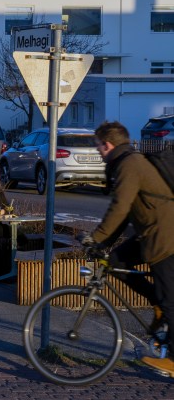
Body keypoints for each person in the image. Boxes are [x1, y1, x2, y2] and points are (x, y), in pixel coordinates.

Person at [78, 122, 174, 375]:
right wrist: (102, 245)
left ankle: (173, 358)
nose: (98, 151)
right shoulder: (124, 163)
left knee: (170, 298)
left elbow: (120, 207)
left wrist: (95, 237)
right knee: (116, 262)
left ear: (107, 145)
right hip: (151, 234)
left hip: (166, 238)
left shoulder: (129, 164)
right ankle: (158, 306)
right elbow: (124, 214)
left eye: (98, 145)